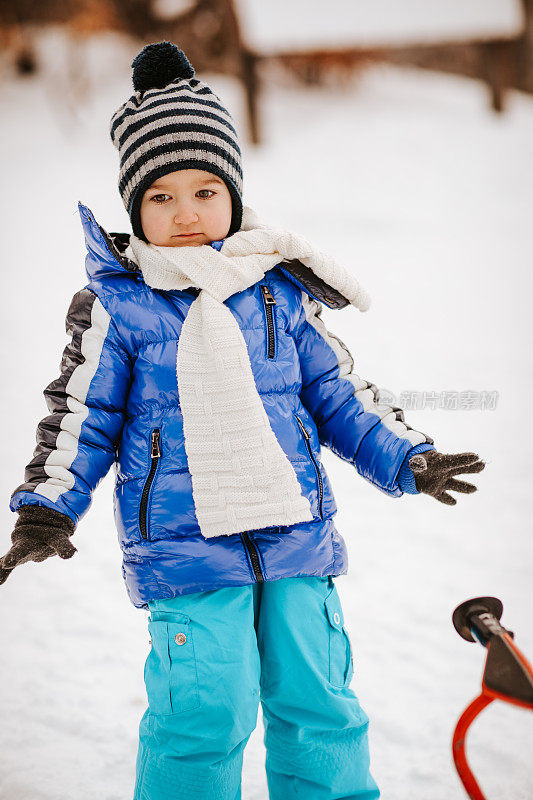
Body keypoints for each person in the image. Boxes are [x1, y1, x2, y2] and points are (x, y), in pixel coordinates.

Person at [0, 42, 485, 800]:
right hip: (185, 551)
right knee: (202, 713)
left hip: (295, 536)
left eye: (203, 190)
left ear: (232, 193)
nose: (185, 212)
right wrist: (46, 505)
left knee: (318, 704)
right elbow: (79, 415)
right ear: (133, 209)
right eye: (159, 197)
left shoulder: (275, 292)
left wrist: (405, 455)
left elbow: (337, 393)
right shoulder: (118, 308)